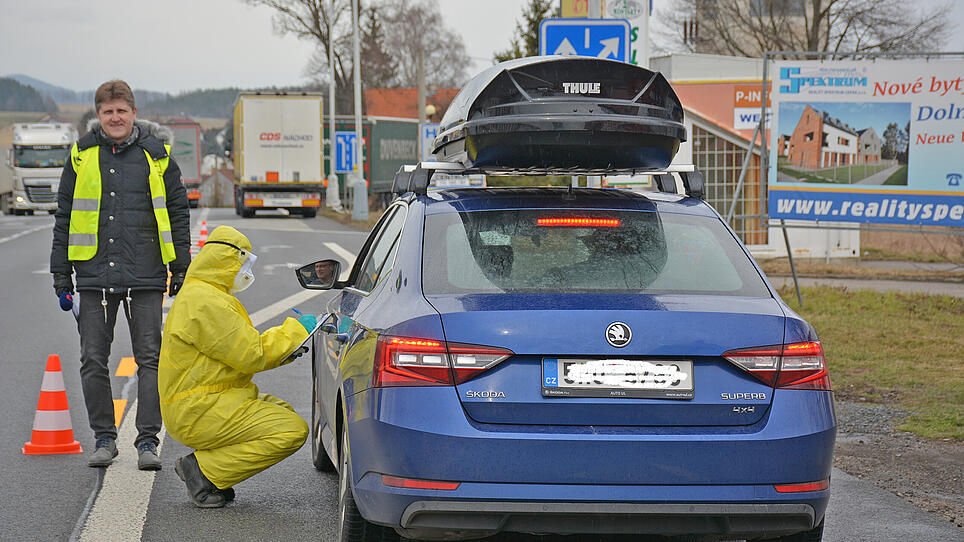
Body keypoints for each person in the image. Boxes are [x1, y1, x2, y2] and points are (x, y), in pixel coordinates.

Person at [49, 80, 191, 470]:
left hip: (146, 272)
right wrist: (61, 274)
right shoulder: (81, 155)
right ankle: (104, 439)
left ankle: (147, 441)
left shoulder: (156, 155)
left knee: (151, 360)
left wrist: (181, 266)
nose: (115, 118)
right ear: (99, 115)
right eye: (108, 111)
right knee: (93, 359)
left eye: (121, 111)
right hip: (92, 274)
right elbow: (64, 216)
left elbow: (178, 212)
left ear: (133, 113)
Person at [159, 225, 313, 508]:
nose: (245, 270)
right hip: (199, 408)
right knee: (290, 430)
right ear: (226, 259)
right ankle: (202, 471)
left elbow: (235, 351)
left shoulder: (205, 294)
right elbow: (251, 353)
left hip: (206, 400)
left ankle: (213, 472)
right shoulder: (205, 302)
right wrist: (297, 331)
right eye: (242, 262)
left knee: (281, 413)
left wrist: (288, 352)